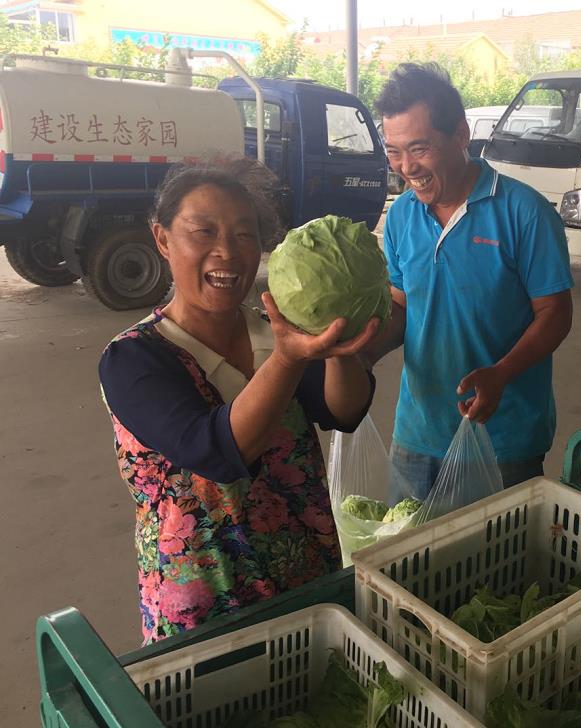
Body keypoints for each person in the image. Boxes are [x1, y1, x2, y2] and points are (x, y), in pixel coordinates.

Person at [98, 158, 378, 643]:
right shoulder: (134, 359)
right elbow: (215, 451)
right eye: (203, 232)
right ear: (162, 239)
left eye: (244, 235)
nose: (226, 252)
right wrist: (289, 359)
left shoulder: (274, 332)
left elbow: (342, 411)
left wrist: (339, 349)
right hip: (205, 605)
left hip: (305, 580)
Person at [367, 63, 574, 498]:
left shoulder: (524, 212)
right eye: (393, 151)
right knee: (405, 560)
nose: (407, 167)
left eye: (419, 149)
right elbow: (401, 305)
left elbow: (555, 313)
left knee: (496, 563)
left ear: (461, 135)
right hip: (417, 433)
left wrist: (501, 373)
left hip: (504, 440)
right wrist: (359, 353)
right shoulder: (402, 215)